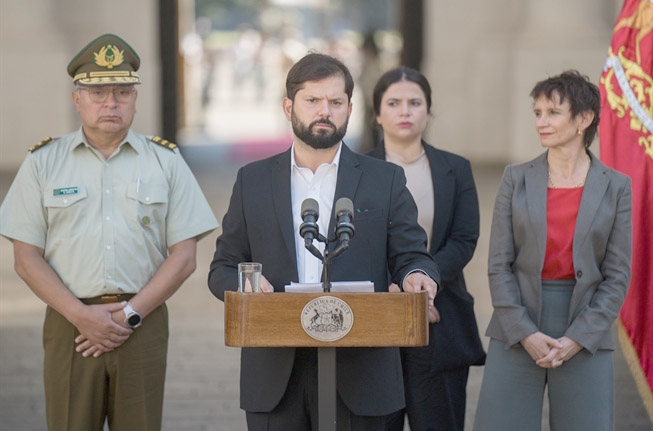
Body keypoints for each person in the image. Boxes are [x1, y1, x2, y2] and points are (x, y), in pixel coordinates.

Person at [208, 53, 440, 431]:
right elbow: (223, 265)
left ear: (350, 108)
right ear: (288, 107)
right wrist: (243, 283)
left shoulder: (385, 179)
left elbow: (412, 255)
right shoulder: (252, 181)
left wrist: (418, 276)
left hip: (361, 372)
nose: (324, 111)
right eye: (312, 100)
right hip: (276, 373)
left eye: (335, 102)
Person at [0, 33, 218, 431]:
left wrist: (130, 315)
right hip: (70, 325)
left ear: (136, 99)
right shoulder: (42, 163)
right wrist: (82, 316)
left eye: (122, 92)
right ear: (76, 98)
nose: (110, 103)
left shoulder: (165, 162)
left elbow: (184, 257)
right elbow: (26, 259)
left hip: (144, 320)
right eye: (98, 92)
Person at [473, 70, 632, 431]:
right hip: (517, 321)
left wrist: (579, 337)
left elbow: (617, 275)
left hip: (586, 327)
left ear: (584, 119)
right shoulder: (515, 178)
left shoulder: (616, 187)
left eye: (552, 112)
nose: (541, 122)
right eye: (537, 112)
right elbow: (499, 264)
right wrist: (524, 332)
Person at [367, 66, 486, 431]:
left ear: (429, 112)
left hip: (442, 318)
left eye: (415, 102)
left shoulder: (455, 168)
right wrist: (398, 288)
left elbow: (464, 239)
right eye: (394, 103)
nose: (405, 111)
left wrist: (426, 287)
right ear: (377, 114)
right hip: (377, 321)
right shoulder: (356, 170)